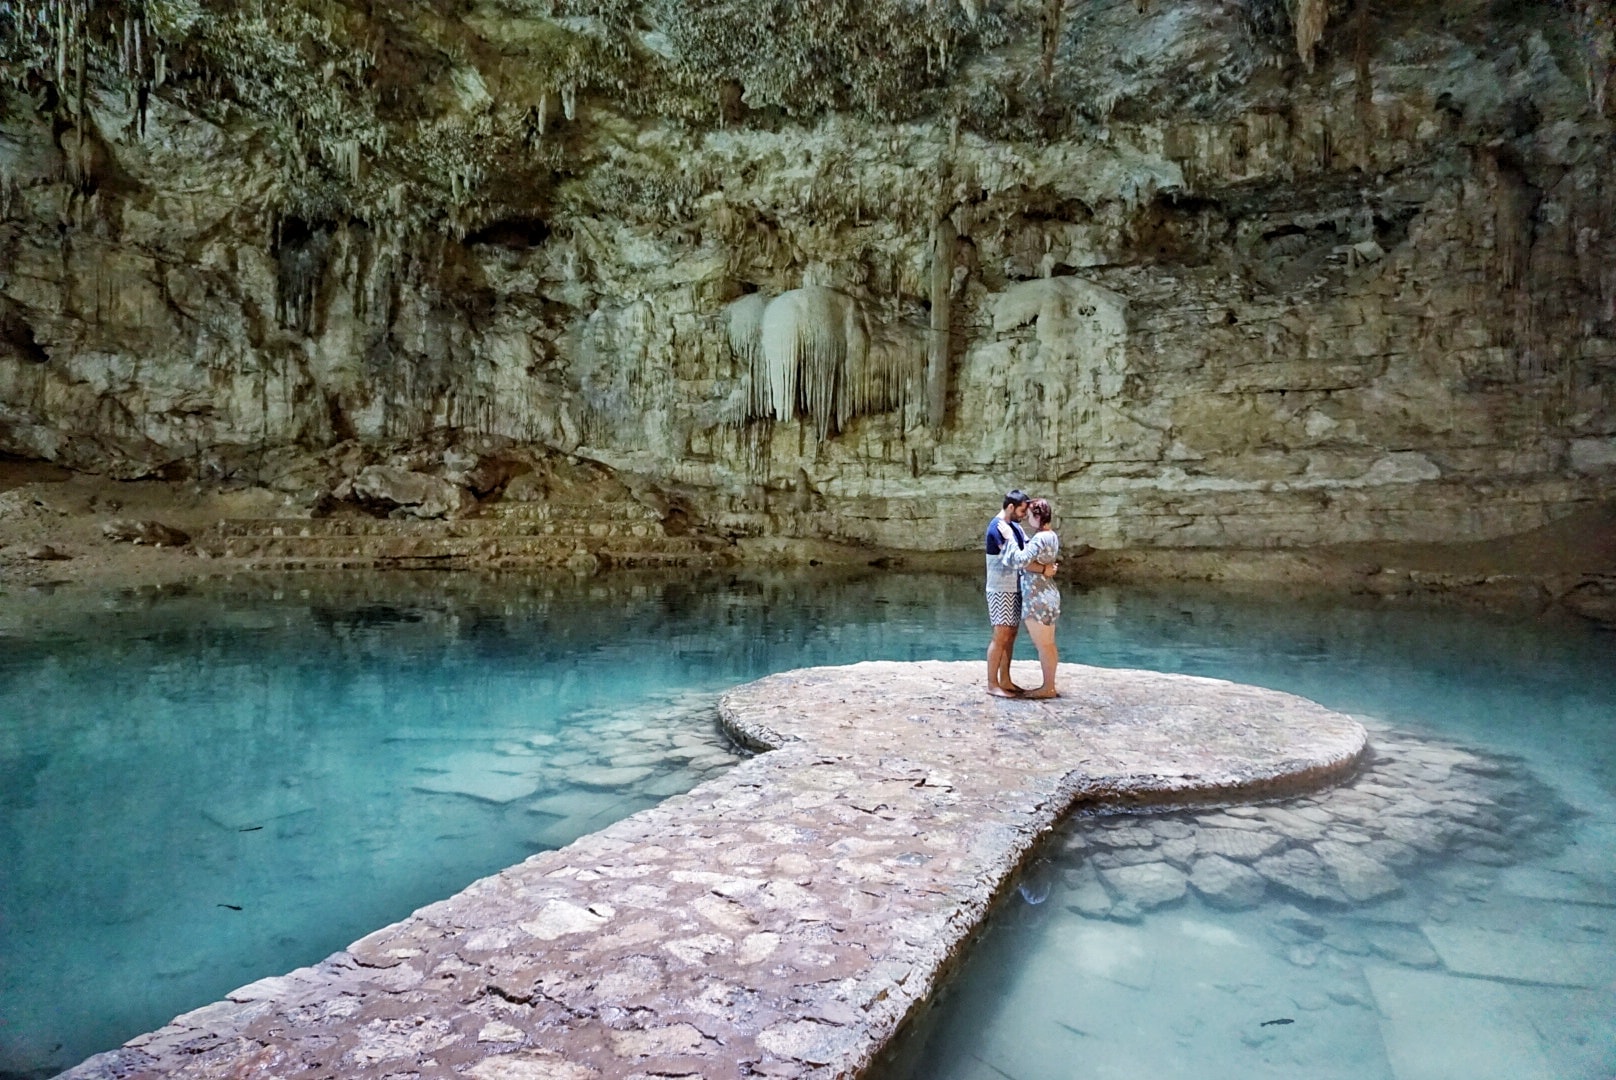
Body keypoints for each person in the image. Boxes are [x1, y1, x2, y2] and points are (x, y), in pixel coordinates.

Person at [984, 490, 1055, 697]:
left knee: (1010, 635)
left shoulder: (1013, 527)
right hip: (1000, 589)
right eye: (1022, 510)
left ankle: (1005, 679)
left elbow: (1028, 550)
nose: (1024, 515)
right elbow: (1016, 559)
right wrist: (1043, 570)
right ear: (1011, 507)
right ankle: (992, 684)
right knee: (1000, 635)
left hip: (1014, 587)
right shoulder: (998, 528)